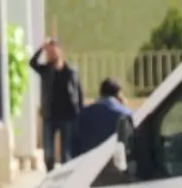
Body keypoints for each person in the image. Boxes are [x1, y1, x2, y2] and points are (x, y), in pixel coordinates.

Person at [29, 38, 83, 172]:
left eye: (54, 51)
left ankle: (65, 177)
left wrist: (80, 110)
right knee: (49, 153)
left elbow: (79, 91)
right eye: (49, 52)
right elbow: (32, 63)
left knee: (66, 153)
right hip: (49, 115)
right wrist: (42, 48)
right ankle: (50, 173)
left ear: (60, 51)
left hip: (67, 115)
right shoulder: (46, 70)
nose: (52, 54)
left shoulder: (70, 71)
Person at [74, 77, 132, 157]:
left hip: (87, 160)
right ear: (118, 94)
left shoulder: (84, 112)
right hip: (112, 161)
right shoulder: (124, 113)